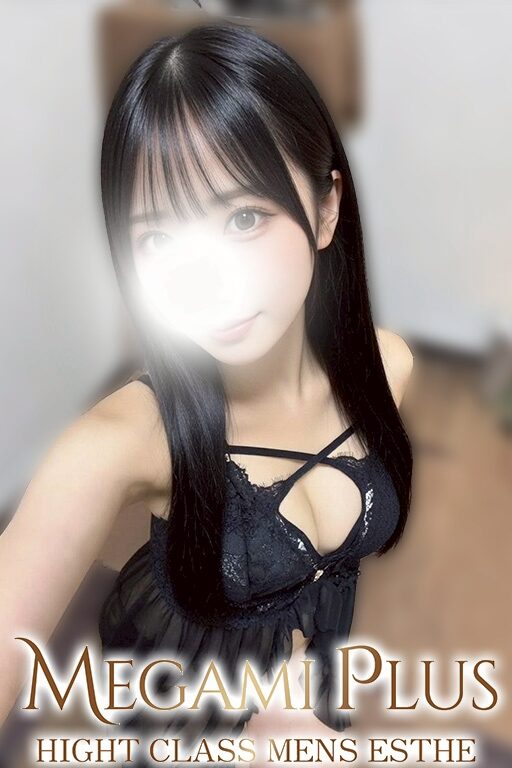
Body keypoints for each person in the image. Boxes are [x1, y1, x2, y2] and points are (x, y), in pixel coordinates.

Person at [0, 21, 414, 766]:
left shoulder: (389, 367)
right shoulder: (118, 442)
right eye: (159, 240)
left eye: (245, 217)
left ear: (326, 209)